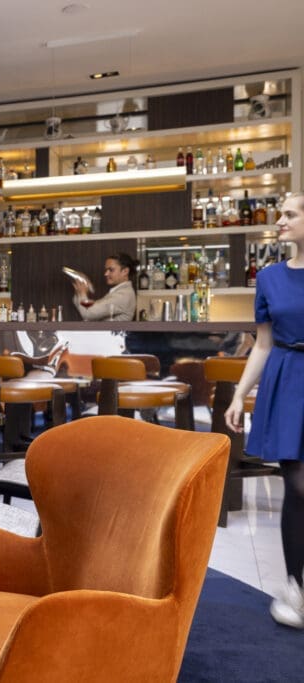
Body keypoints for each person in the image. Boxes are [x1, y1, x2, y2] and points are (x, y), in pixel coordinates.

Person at [225, 192, 304, 629]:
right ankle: (296, 586)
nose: (280, 221)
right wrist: (239, 394)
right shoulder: (270, 278)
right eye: (280, 215)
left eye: (290, 215)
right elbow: (264, 344)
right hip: (289, 379)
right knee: (296, 482)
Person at [71, 252, 137, 321]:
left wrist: (82, 293)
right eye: (106, 270)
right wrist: (79, 291)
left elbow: (88, 313)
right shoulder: (119, 292)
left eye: (111, 270)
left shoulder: (124, 295)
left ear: (125, 271)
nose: (106, 274)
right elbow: (88, 308)